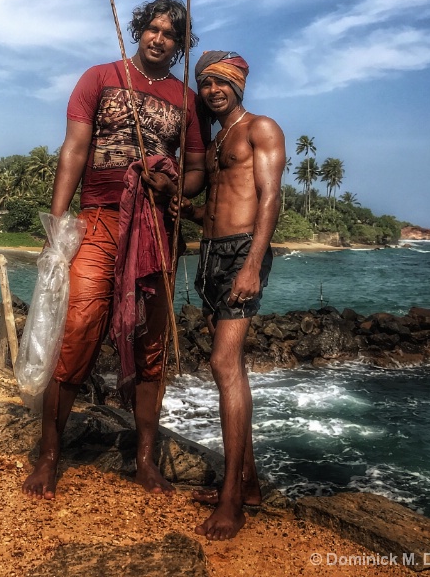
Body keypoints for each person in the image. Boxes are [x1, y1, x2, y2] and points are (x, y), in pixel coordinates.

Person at [22, 0, 207, 500]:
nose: (159, 39)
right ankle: (49, 454)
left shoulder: (188, 101)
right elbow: (74, 150)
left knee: (152, 344)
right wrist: (58, 226)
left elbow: (196, 173)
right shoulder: (99, 77)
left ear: (181, 43)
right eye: (153, 29)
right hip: (98, 221)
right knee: (78, 327)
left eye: (171, 34)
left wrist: (170, 185)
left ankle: (145, 461)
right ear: (138, 30)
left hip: (154, 230)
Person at [173, 50, 285, 540]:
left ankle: (231, 499)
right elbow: (219, 204)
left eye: (221, 82)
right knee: (230, 367)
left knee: (223, 363)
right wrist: (185, 209)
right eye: (206, 83)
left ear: (238, 83)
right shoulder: (217, 139)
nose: (213, 90)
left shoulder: (261, 128)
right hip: (212, 254)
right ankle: (251, 484)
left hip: (242, 255)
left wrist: (253, 265)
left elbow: (269, 197)